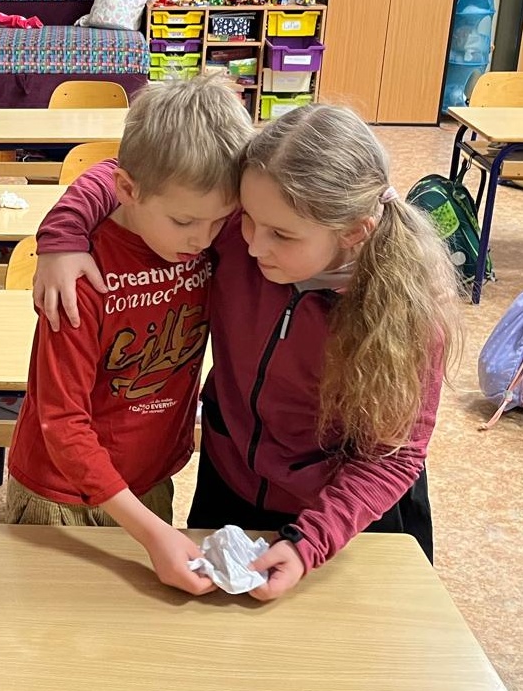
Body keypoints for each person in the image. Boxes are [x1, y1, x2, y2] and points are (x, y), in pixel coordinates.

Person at [33, 104, 461, 600]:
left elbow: (393, 459)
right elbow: (141, 172)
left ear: (354, 232)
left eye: (281, 234)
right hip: (229, 488)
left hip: (341, 516)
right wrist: (61, 236)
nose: (253, 245)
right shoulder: (238, 231)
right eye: (248, 220)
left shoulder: (409, 312)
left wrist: (309, 542)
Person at [7, 76, 256, 595]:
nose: (202, 239)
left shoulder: (208, 238)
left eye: (220, 221)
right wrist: (150, 532)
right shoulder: (81, 275)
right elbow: (62, 421)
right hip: (61, 495)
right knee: (51, 625)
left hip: (148, 483)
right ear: (127, 190)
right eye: (184, 221)